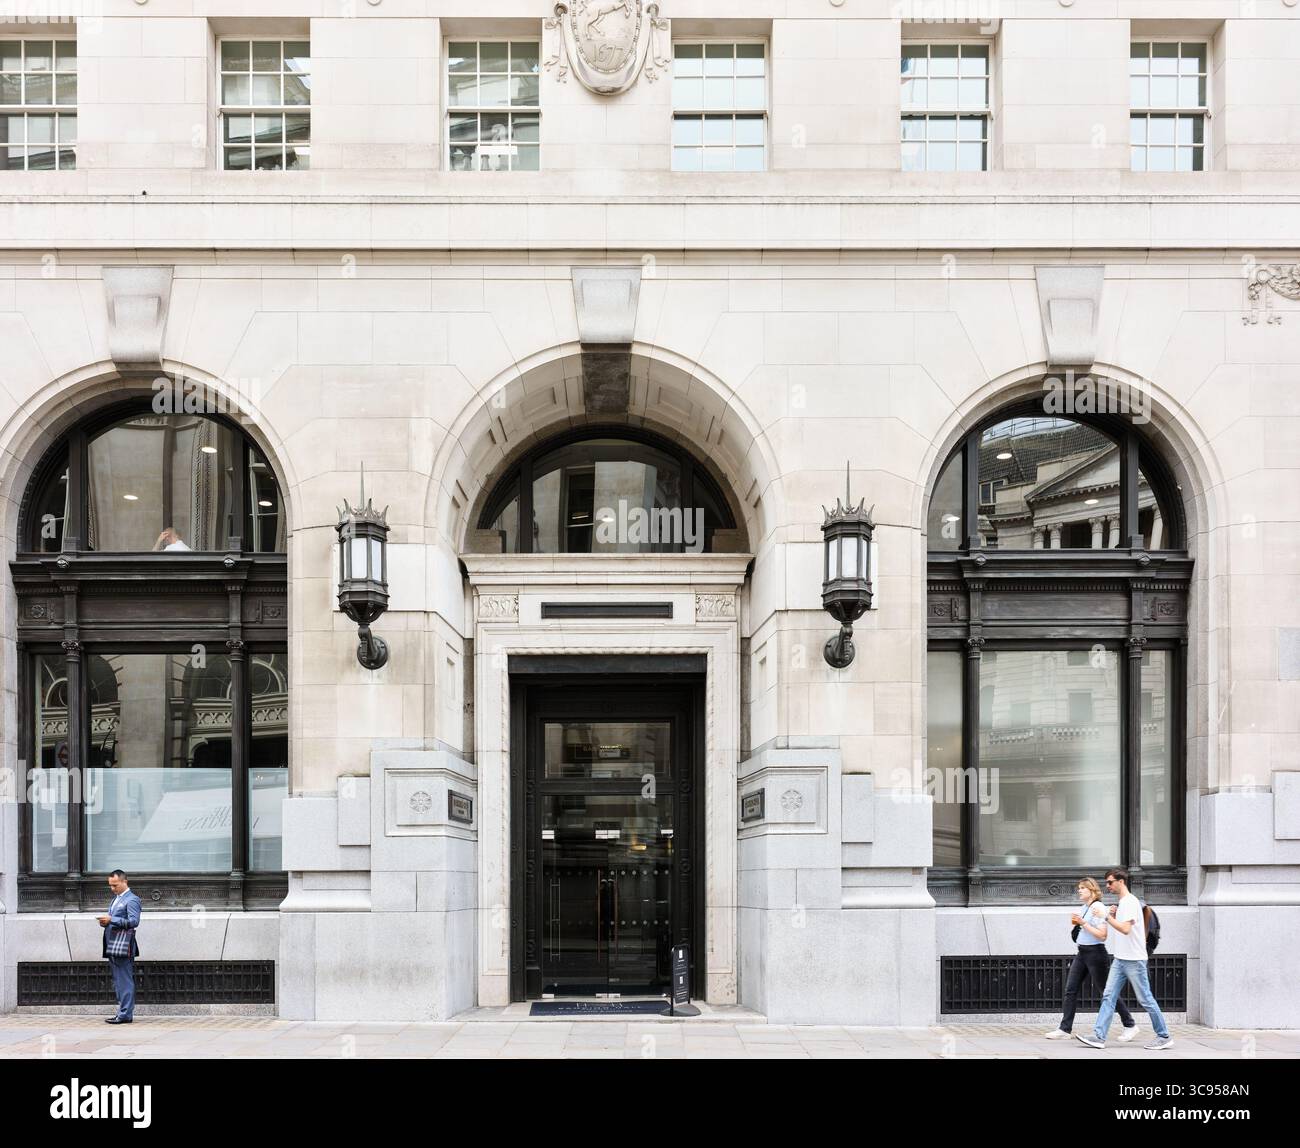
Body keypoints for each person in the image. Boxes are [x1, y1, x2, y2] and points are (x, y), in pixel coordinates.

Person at [1075, 867, 1173, 1050]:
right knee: (1108, 996)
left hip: (1134, 960)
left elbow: (1126, 929)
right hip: (1120, 959)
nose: (1108, 886)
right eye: (1107, 883)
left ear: (1121, 882)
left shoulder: (1129, 902)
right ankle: (1098, 1036)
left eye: (1110, 882)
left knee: (1145, 999)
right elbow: (1121, 926)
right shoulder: (1122, 903)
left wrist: (1106, 917)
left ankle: (1164, 1035)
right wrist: (1112, 915)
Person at [1044, 877, 1139, 1041]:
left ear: (1092, 890)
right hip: (1082, 953)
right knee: (1070, 990)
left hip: (1096, 954)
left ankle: (1130, 1025)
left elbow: (1102, 935)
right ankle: (1064, 1029)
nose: (1079, 890)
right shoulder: (1085, 907)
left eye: (1082, 888)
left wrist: (1083, 923)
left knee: (1107, 993)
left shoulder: (1098, 907)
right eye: (1078, 887)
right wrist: (1079, 924)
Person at [98, 869, 141, 1024]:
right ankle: (122, 1012)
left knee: (124, 980)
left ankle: (125, 1014)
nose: (112, 888)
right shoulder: (117, 898)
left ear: (124, 882)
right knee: (118, 980)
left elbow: (134, 921)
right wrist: (106, 922)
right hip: (114, 945)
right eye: (110, 885)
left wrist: (111, 920)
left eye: (115, 885)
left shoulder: (132, 899)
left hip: (123, 946)